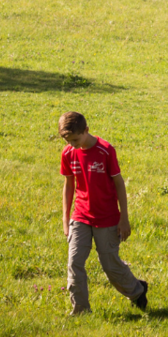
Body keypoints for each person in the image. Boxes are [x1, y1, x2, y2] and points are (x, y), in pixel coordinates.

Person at [58, 111, 148, 316]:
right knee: (74, 262)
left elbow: (119, 184)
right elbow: (69, 185)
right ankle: (80, 310)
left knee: (109, 264)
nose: (72, 144)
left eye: (75, 139)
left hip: (107, 218)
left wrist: (123, 218)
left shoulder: (105, 150)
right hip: (80, 216)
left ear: (86, 131)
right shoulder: (68, 153)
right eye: (67, 140)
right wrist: (65, 219)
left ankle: (137, 291)